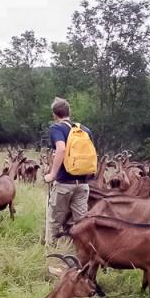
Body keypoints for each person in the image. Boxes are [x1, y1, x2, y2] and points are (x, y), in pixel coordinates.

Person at [44, 97, 93, 248]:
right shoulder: (84, 130)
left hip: (64, 185)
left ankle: (49, 255)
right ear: (69, 112)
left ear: (54, 114)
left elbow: (61, 148)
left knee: (54, 220)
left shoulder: (56, 128)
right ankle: (83, 253)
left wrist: (52, 174)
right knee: (81, 223)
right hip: (83, 184)